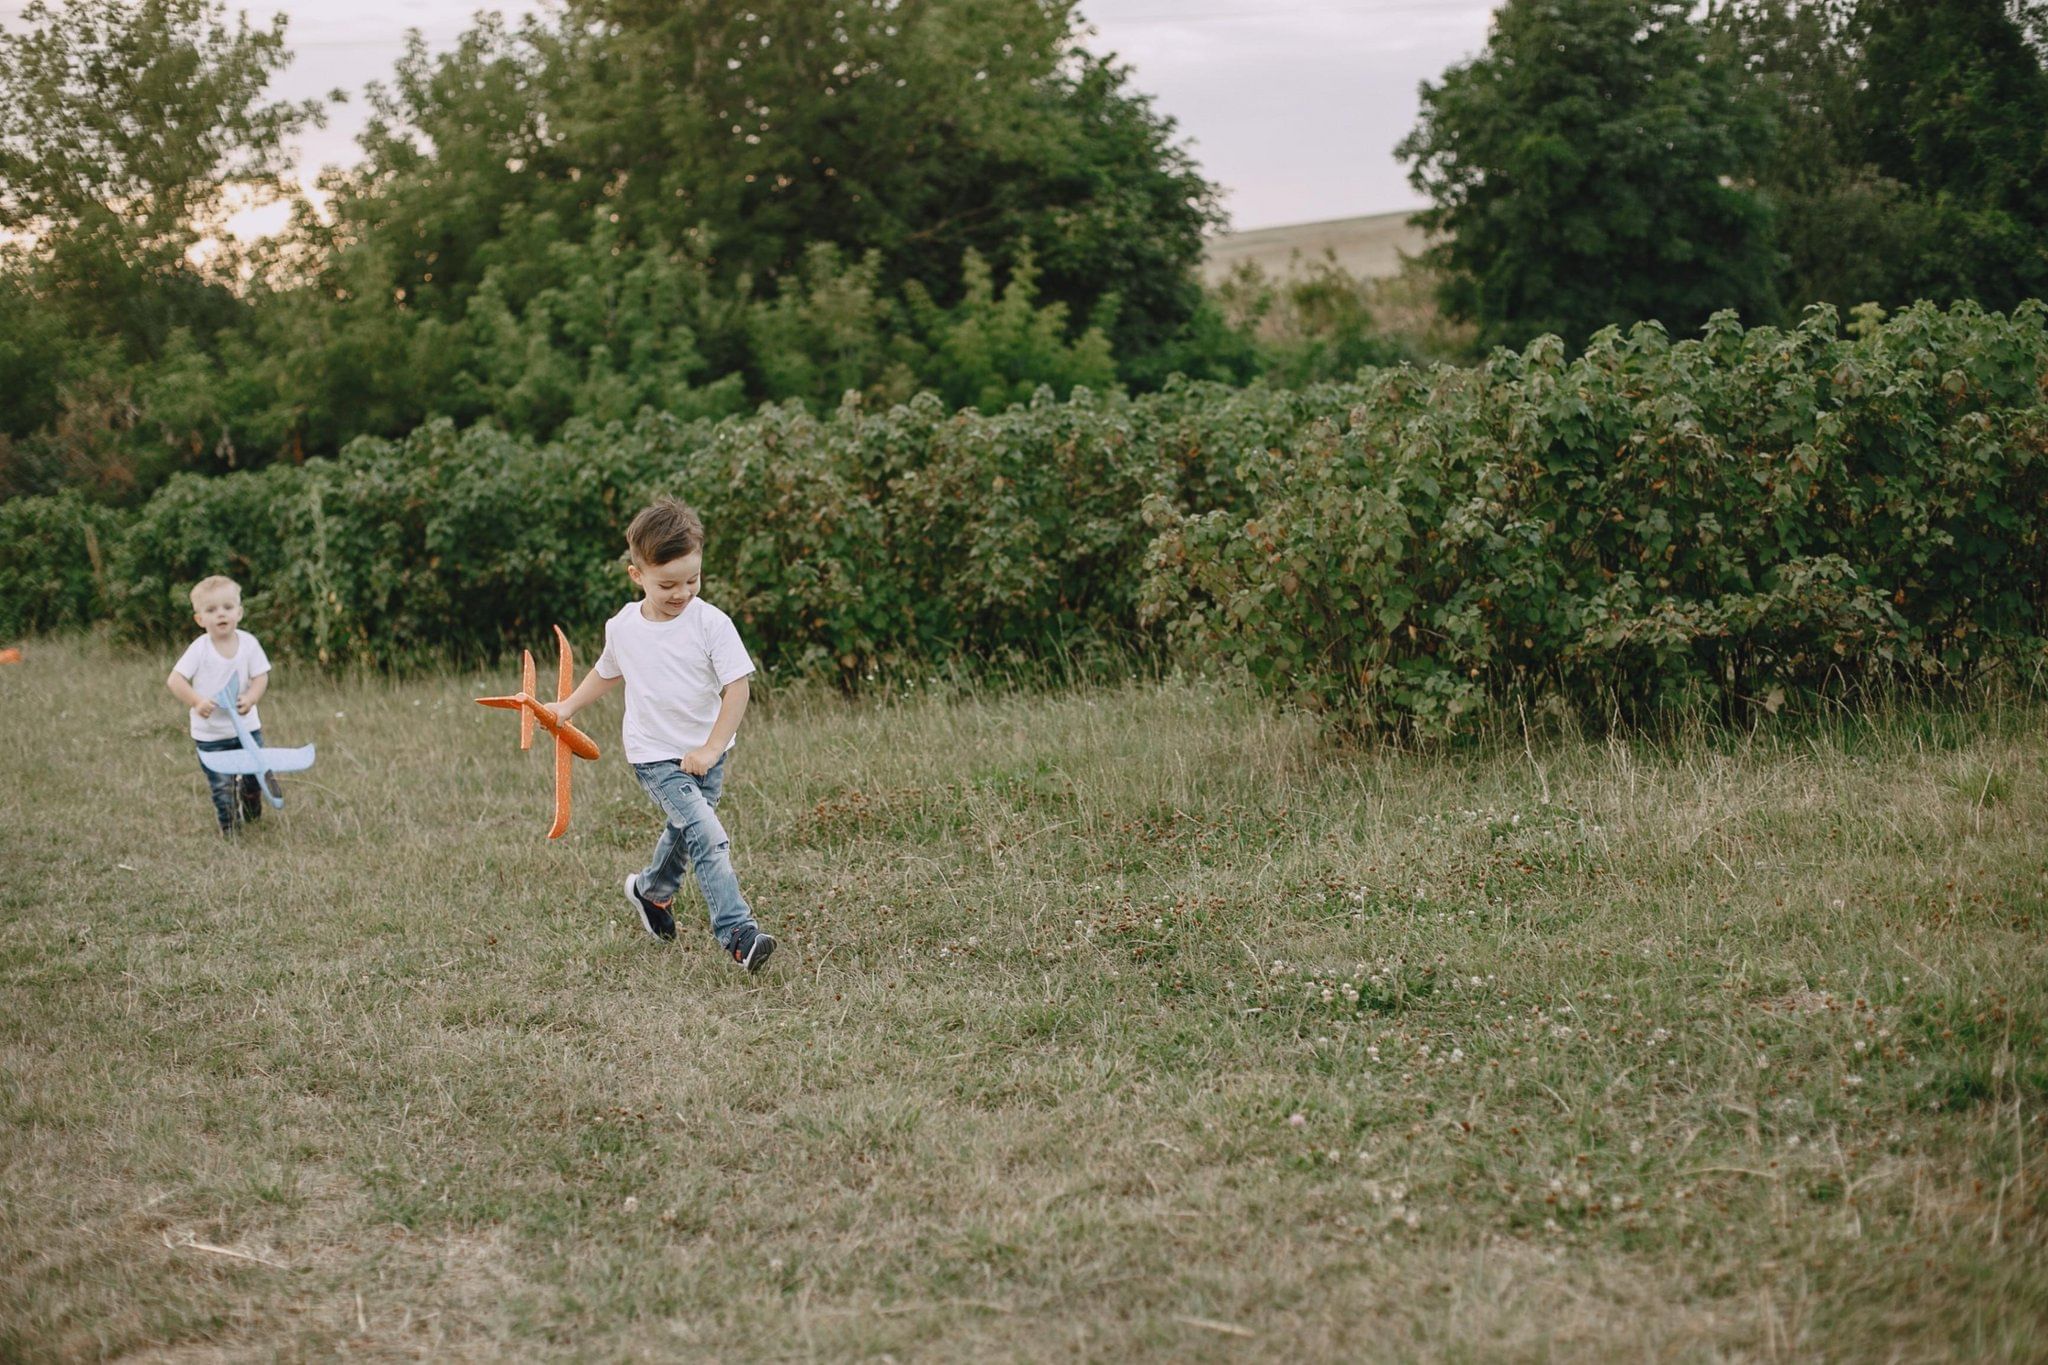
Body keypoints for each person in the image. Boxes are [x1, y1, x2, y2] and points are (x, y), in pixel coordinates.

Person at [548, 499, 777, 972]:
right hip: (654, 756)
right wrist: (567, 706)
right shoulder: (624, 627)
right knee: (707, 835)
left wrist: (712, 747)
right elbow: (607, 672)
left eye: (692, 580)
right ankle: (738, 933)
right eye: (667, 584)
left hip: (707, 754)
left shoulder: (711, 623)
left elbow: (738, 686)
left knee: (685, 827)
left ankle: (651, 893)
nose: (682, 593)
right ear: (638, 575)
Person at [165, 575, 276, 835]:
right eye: (211, 610)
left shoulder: (248, 644)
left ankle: (251, 804)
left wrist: (251, 698)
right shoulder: (200, 648)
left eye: (227, 608)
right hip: (211, 735)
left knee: (253, 777)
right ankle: (230, 828)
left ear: (239, 612)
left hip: (247, 730)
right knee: (222, 785)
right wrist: (197, 701)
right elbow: (175, 679)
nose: (221, 614)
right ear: (200, 619)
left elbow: (261, 676)